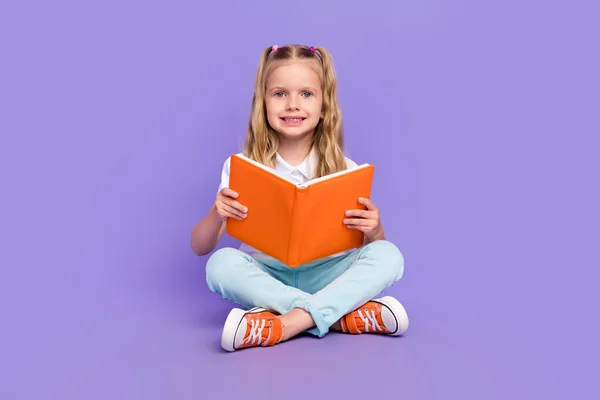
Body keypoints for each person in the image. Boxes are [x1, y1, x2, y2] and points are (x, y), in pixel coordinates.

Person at [190, 44, 409, 352]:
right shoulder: (242, 167)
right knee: (219, 265)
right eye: (280, 94)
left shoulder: (344, 169)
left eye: (306, 94)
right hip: (269, 278)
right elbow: (199, 247)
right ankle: (335, 316)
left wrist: (375, 231)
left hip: (327, 275)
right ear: (263, 104)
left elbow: (371, 247)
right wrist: (217, 213)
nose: (293, 104)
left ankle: (284, 324)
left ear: (323, 107)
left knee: (389, 255)